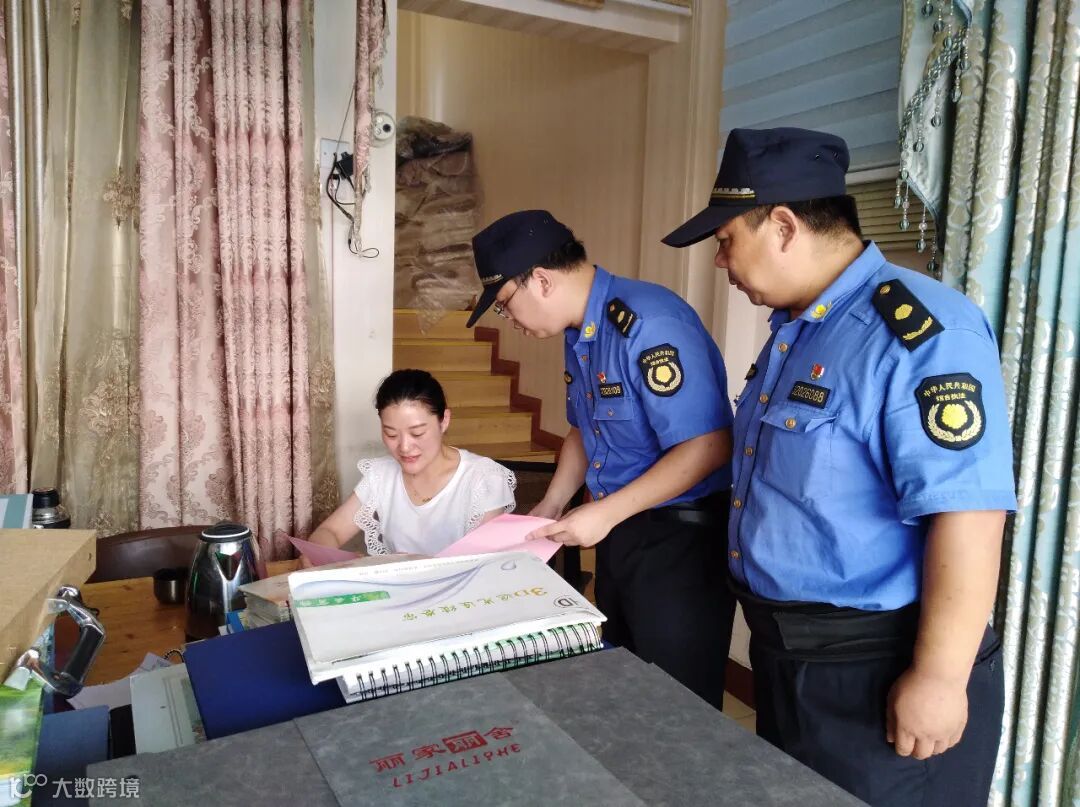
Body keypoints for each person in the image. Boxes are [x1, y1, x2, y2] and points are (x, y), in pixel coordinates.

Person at [662, 126, 1017, 807]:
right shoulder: (799, 331)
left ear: (784, 226)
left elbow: (969, 511)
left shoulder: (920, 330)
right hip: (789, 656)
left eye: (726, 240)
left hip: (876, 666)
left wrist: (940, 680)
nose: (721, 261)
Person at [464, 209, 736, 710]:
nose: (511, 322)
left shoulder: (647, 324)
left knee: (676, 706)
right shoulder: (581, 333)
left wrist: (604, 513)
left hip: (679, 541)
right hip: (621, 530)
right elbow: (584, 429)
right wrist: (551, 505)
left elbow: (709, 445)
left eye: (505, 306)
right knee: (626, 687)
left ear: (541, 281)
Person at [306, 369, 517, 560]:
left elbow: (484, 563)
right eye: (391, 434)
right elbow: (331, 531)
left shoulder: (483, 478)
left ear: (444, 420)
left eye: (417, 433)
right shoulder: (381, 474)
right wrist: (316, 553)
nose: (405, 447)